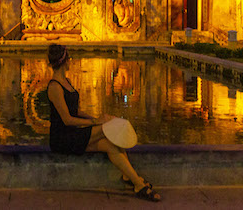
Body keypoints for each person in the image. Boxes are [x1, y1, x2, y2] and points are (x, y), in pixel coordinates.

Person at [46, 44, 161, 202]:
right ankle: (137, 182)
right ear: (66, 60)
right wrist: (96, 122)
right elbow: (67, 119)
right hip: (63, 138)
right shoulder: (54, 86)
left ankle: (132, 180)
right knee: (108, 128)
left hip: (74, 133)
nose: (71, 61)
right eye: (69, 58)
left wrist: (95, 118)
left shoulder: (66, 81)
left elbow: (76, 111)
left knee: (109, 145)